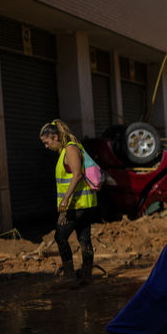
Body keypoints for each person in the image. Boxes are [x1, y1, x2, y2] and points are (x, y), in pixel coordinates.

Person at [39, 119, 98, 283]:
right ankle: (86, 276)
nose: (46, 146)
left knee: (60, 237)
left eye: (47, 142)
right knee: (84, 239)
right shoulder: (69, 149)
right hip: (84, 204)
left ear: (55, 137)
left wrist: (65, 199)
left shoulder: (70, 149)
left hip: (76, 205)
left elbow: (77, 175)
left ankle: (70, 276)